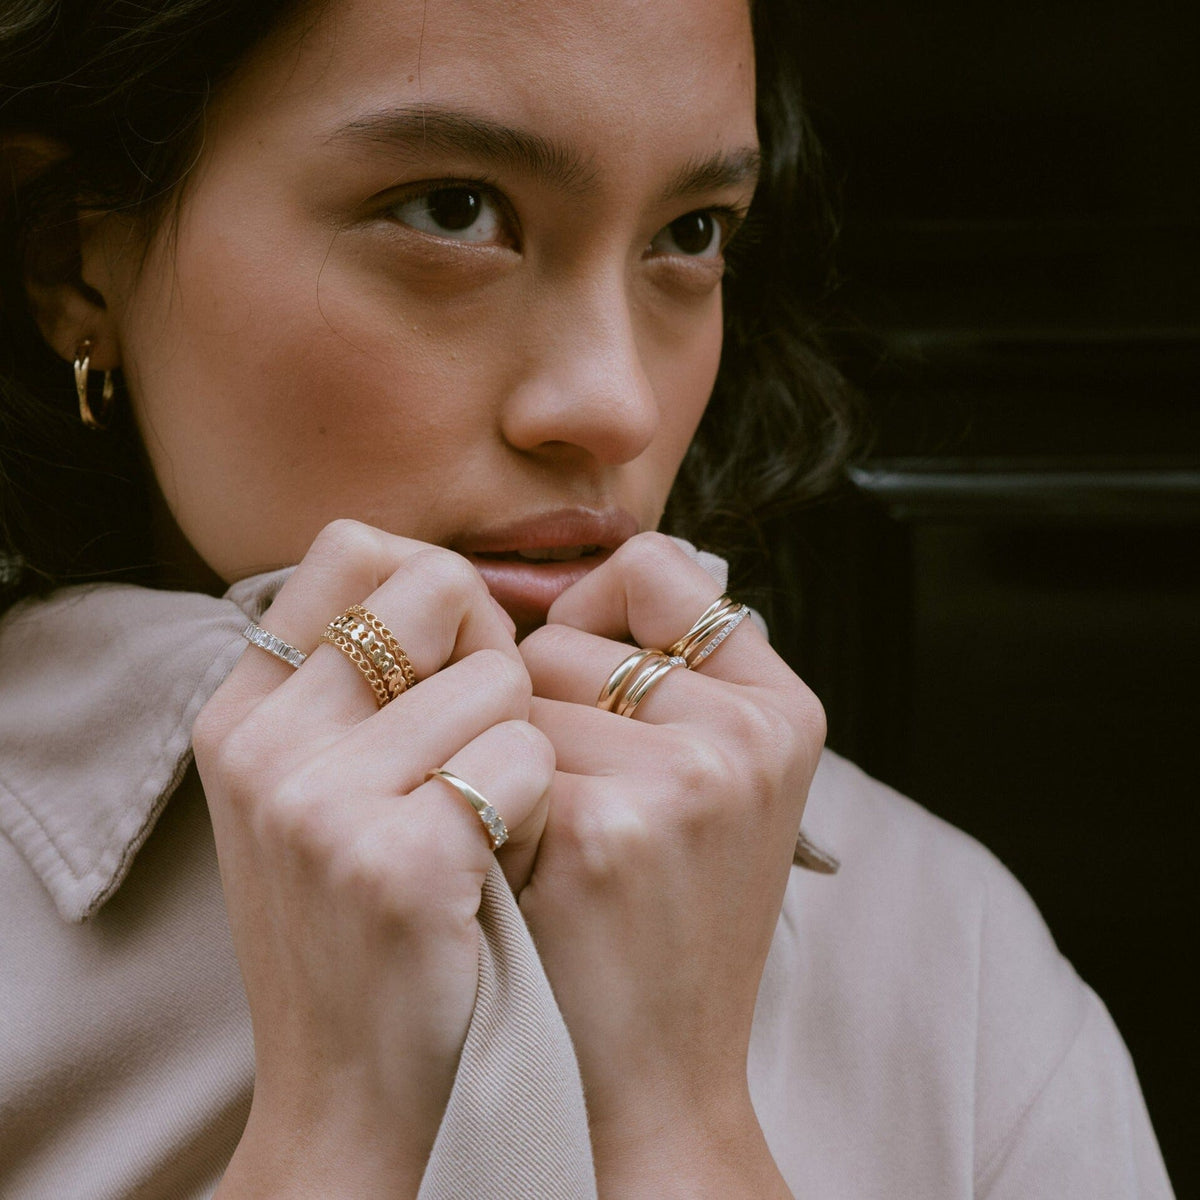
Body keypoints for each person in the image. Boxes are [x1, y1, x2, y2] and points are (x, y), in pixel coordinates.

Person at [0, 0, 1172, 1196]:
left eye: (690, 233)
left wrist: (679, 1124)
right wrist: (338, 1133)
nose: (617, 405)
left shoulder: (949, 961)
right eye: (452, 209)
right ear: (70, 258)